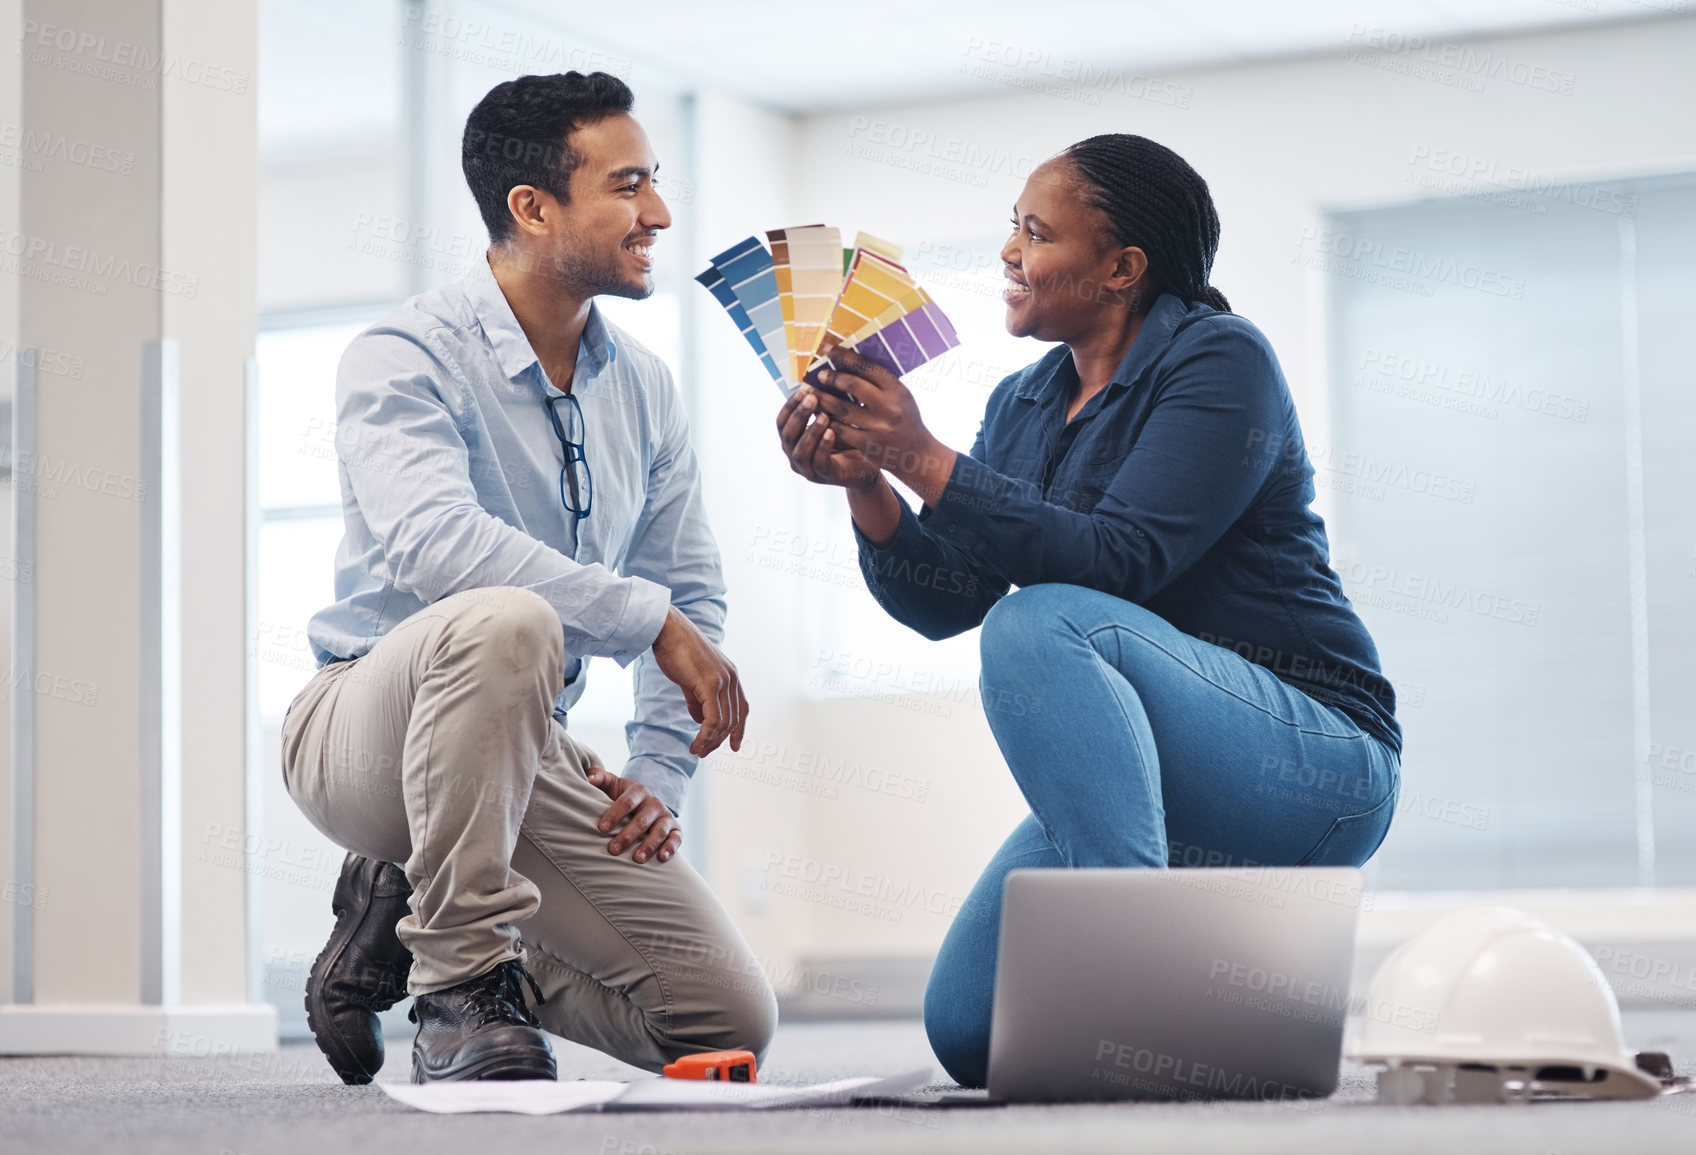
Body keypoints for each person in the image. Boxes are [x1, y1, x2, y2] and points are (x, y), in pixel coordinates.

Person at [775, 134, 1402, 1087]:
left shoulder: (1220, 361)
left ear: (1122, 269)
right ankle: (1229, 1029)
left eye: (1035, 232)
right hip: (1167, 780)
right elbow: (950, 603)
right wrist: (869, 484)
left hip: (1314, 758)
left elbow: (1122, 560)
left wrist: (923, 457)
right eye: (1010, 230)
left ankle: (1134, 989)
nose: (1008, 254)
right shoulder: (1023, 401)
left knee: (1042, 620)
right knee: (971, 1028)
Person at [283, 71, 775, 1085]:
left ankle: (406, 921)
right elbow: (435, 546)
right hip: (356, 729)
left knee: (724, 1019)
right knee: (506, 619)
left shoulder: (644, 386)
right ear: (532, 207)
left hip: (518, 747)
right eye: (629, 186)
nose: (660, 215)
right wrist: (648, 624)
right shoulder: (402, 356)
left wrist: (655, 771)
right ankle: (458, 988)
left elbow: (687, 583)